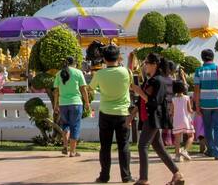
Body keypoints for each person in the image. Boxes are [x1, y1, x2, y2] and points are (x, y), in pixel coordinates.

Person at [132, 54, 184, 185]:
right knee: (158, 147)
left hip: (154, 117)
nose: (145, 65)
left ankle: (143, 178)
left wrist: (139, 91)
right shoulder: (153, 79)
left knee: (143, 145)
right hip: (149, 116)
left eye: (147, 63)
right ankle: (177, 174)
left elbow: (155, 102)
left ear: (154, 64)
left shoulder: (159, 80)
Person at [89, 45, 132, 183]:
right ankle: (126, 176)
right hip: (123, 113)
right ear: (118, 57)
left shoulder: (100, 74)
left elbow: (91, 88)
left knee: (105, 146)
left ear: (104, 58)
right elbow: (131, 85)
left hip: (106, 112)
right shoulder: (126, 72)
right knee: (123, 145)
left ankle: (104, 176)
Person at [193, 48, 218, 160]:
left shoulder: (199, 71)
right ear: (213, 57)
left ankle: (210, 150)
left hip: (205, 104)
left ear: (202, 58)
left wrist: (197, 105)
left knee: (208, 128)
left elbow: (196, 90)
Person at [51, 56, 90, 157]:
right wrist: (87, 102)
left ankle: (65, 146)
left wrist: (55, 105)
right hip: (76, 103)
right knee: (75, 126)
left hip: (63, 104)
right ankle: (72, 151)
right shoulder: (78, 72)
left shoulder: (59, 73)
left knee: (65, 125)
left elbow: (56, 91)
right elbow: (83, 89)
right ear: (75, 63)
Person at [170, 80, 195, 162]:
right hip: (186, 120)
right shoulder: (187, 98)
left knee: (177, 139)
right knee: (191, 136)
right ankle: (185, 150)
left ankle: (177, 156)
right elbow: (190, 110)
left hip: (176, 120)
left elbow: (171, 112)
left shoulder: (173, 99)